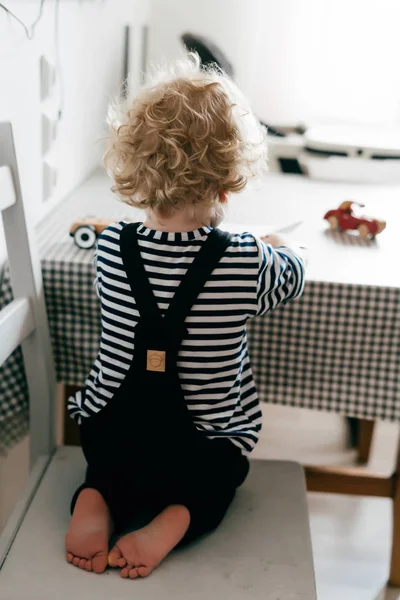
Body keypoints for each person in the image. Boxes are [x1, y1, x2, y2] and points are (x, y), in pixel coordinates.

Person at [65, 53, 305, 579]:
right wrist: (280, 243)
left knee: (106, 461)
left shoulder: (110, 248)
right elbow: (293, 275)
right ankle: (177, 517)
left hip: (114, 435)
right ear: (229, 182)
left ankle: (98, 495)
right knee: (222, 474)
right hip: (197, 448)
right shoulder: (245, 260)